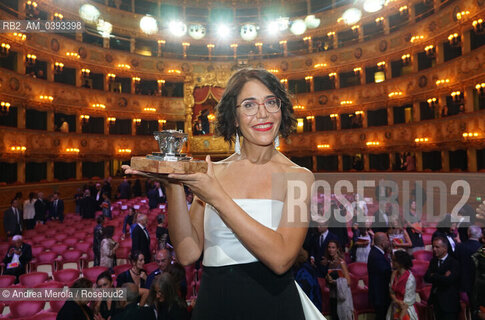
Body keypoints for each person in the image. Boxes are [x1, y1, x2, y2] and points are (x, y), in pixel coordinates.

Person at [123, 68, 320, 319]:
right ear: (234, 117)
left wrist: (216, 196)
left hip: (274, 305)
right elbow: (187, 253)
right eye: (249, 105)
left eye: (271, 102)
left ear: (281, 109)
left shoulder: (300, 177)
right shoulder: (212, 172)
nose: (263, 113)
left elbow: (281, 259)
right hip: (215, 304)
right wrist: (172, 184)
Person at [424, 236, 460, 320]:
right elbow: (426, 277)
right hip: (436, 301)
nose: (434, 249)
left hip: (449, 304)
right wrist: (442, 276)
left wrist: (434, 275)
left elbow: (449, 280)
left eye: (437, 247)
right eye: (433, 247)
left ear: (445, 248)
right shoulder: (433, 261)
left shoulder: (453, 262)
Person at [323, 240, 352, 320]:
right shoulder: (329, 262)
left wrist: (335, 282)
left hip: (341, 297)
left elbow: (348, 282)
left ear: (337, 249)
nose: (330, 249)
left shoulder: (341, 262)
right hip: (332, 296)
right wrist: (327, 279)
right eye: (329, 247)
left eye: (333, 247)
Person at [386, 250, 419, 320]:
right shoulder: (394, 274)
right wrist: (397, 301)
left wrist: (400, 317)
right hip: (395, 305)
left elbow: (406, 303)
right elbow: (391, 292)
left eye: (394, 260)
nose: (392, 262)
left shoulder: (410, 279)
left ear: (401, 262)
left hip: (405, 309)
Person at [368, 232, 392, 320]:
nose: (389, 242)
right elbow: (386, 272)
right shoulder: (376, 255)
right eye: (387, 240)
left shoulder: (378, 252)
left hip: (380, 294)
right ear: (382, 243)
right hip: (380, 295)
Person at [455, 226, 482, 303]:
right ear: (480, 235)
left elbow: (455, 264)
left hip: (462, 284)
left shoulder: (460, 246)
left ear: (468, 233)